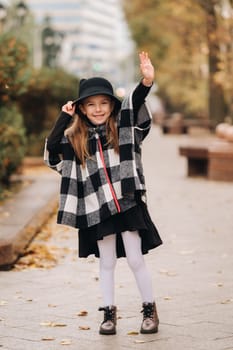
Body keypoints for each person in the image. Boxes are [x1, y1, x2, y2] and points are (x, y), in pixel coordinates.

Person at [45, 51, 162, 335]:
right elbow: (52, 154)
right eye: (91, 105)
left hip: (126, 201)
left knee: (135, 258)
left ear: (111, 105)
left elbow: (135, 107)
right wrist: (64, 117)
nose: (98, 109)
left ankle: (149, 309)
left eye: (104, 103)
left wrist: (146, 81)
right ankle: (108, 313)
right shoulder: (75, 140)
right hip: (97, 207)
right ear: (82, 109)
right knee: (107, 261)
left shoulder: (123, 128)